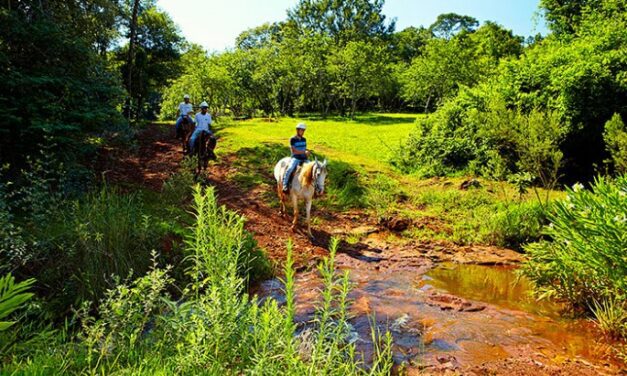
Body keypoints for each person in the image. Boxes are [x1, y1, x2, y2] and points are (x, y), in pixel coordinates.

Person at [282, 123, 310, 193]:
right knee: (290, 168)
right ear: (297, 130)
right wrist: (304, 152)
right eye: (301, 130)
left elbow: (304, 149)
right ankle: (285, 185)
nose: (303, 132)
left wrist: (307, 152)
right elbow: (294, 151)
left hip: (304, 158)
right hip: (296, 158)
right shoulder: (293, 139)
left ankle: (314, 186)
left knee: (313, 168)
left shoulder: (304, 139)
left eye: (303, 130)